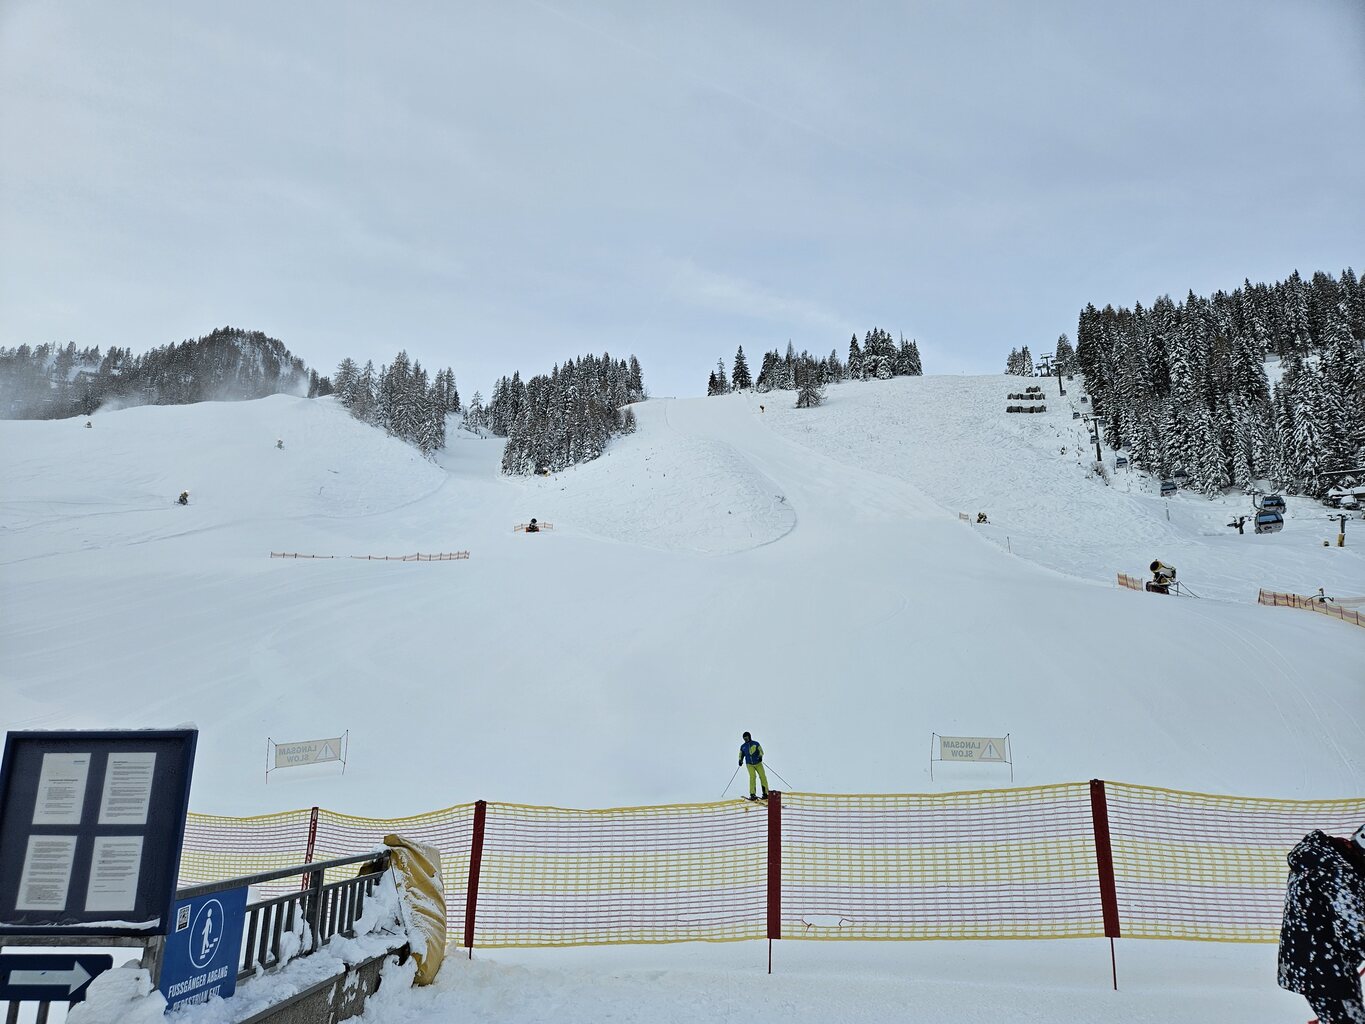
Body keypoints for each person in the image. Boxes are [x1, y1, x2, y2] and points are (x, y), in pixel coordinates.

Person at [1278, 823, 1365, 1024]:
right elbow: (1355, 933)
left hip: (1314, 964)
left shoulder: (1321, 859)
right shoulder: (1339, 873)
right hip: (1326, 970)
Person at [738, 732, 768, 801]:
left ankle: (765, 793)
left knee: (763, 776)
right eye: (744, 739)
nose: (745, 740)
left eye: (746, 738)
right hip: (749, 764)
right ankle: (752, 794)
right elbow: (741, 754)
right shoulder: (743, 746)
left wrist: (760, 756)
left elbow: (761, 751)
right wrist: (740, 760)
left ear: (749, 737)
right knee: (752, 777)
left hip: (758, 763)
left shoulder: (756, 743)